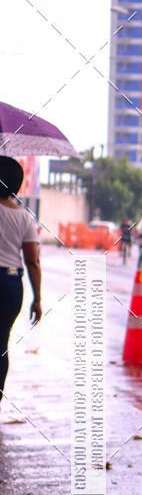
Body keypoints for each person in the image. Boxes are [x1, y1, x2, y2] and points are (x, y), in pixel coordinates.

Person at [0, 157, 42, 407]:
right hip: (10, 284)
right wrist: (37, 299)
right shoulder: (25, 218)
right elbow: (33, 262)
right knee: (1, 342)